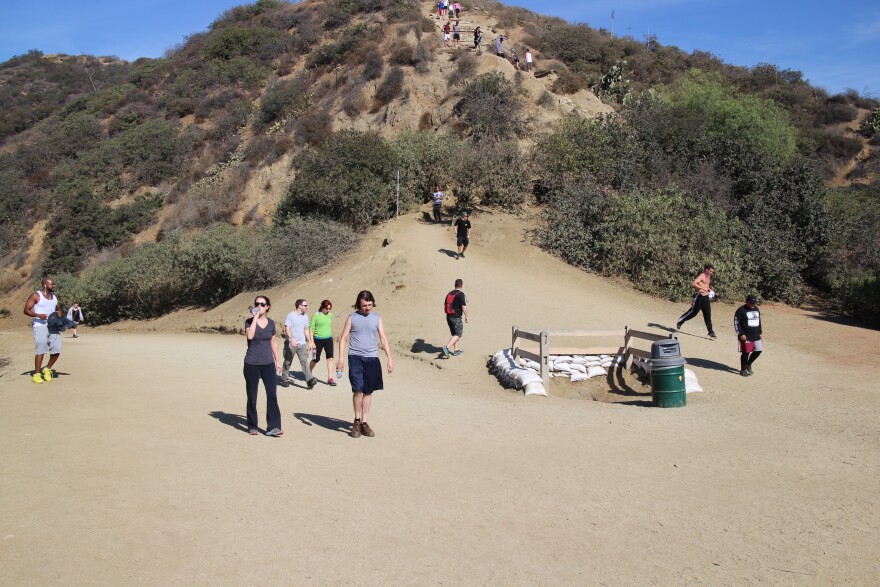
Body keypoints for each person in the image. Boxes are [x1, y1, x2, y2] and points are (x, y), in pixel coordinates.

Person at [336, 291, 394, 439]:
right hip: (355, 357)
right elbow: (343, 339)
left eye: (369, 305)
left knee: (368, 391)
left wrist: (389, 357)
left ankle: (364, 422)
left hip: (372, 358)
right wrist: (341, 359)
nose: (367, 308)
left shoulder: (377, 318)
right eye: (364, 305)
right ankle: (356, 421)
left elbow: (383, 338)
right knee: (358, 390)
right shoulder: (352, 317)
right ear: (358, 304)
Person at [244, 295, 283, 436]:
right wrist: (255, 317)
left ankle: (273, 426)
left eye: (262, 304)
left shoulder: (271, 323)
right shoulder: (249, 322)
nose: (259, 306)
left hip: (268, 364)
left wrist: (277, 361)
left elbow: (273, 342)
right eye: (257, 303)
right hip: (251, 363)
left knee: (272, 394)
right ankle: (252, 425)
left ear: (268, 307)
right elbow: (250, 336)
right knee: (252, 395)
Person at [23, 277, 61, 384]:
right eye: (52, 284)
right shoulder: (36, 295)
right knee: (41, 349)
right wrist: (38, 315)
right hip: (39, 326)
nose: (54, 286)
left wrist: (59, 313)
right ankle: (37, 374)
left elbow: (58, 308)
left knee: (57, 348)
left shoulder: (54, 297)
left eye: (54, 284)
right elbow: (26, 310)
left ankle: (47, 369)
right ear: (45, 285)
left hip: (52, 326)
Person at [676, 263, 717, 338]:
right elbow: (694, 283)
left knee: (708, 316)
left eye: (712, 272)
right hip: (699, 298)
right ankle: (680, 321)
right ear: (707, 269)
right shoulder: (702, 276)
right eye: (710, 271)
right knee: (693, 313)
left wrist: (710, 290)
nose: (711, 273)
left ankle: (711, 332)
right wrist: (701, 288)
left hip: (706, 299)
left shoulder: (708, 277)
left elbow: (706, 286)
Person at [283, 299, 317, 389]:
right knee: (288, 361)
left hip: (302, 343)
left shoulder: (305, 316)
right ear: (300, 306)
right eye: (305, 305)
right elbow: (287, 329)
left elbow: (306, 330)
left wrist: (309, 341)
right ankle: (285, 378)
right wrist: (292, 339)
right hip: (290, 343)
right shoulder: (290, 315)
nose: (307, 307)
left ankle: (310, 380)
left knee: (304, 361)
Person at [734, 294, 763, 377]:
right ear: (746, 301)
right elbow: (736, 323)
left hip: (756, 334)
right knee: (746, 353)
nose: (753, 304)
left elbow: (759, 321)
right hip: (746, 335)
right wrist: (741, 334)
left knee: (758, 350)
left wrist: (760, 332)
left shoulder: (756, 309)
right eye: (751, 303)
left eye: (754, 303)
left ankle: (748, 364)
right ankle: (743, 369)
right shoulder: (741, 310)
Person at [309, 299, 336, 386]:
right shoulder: (315, 315)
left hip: (328, 339)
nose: (328, 310)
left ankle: (330, 378)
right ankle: (308, 374)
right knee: (315, 358)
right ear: (322, 307)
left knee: (330, 358)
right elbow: (311, 329)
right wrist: (311, 342)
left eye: (329, 309)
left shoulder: (330, 315)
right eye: (327, 309)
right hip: (317, 340)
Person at [442, 278, 469, 358]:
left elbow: (445, 306)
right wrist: (467, 316)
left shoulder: (449, 293)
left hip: (448, 317)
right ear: (461, 285)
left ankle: (456, 350)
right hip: (456, 317)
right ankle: (446, 347)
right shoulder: (461, 294)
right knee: (458, 334)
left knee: (455, 334)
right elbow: (464, 306)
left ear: (455, 285)